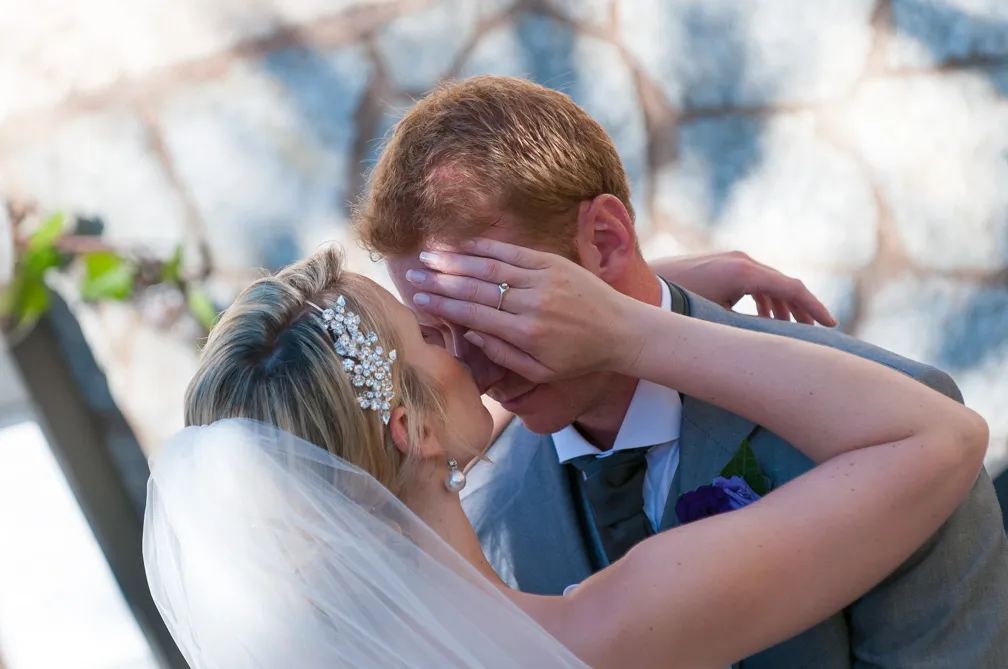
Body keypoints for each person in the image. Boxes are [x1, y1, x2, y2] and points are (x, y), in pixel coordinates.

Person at [354, 75, 1008, 667]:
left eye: (497, 303)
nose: (473, 366)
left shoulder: (886, 429)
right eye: (439, 332)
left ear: (606, 241)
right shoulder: (480, 517)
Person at [144, 244, 987, 669]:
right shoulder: (595, 634)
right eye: (433, 334)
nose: (473, 346)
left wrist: (652, 280)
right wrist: (636, 325)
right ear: (414, 433)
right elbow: (936, 438)